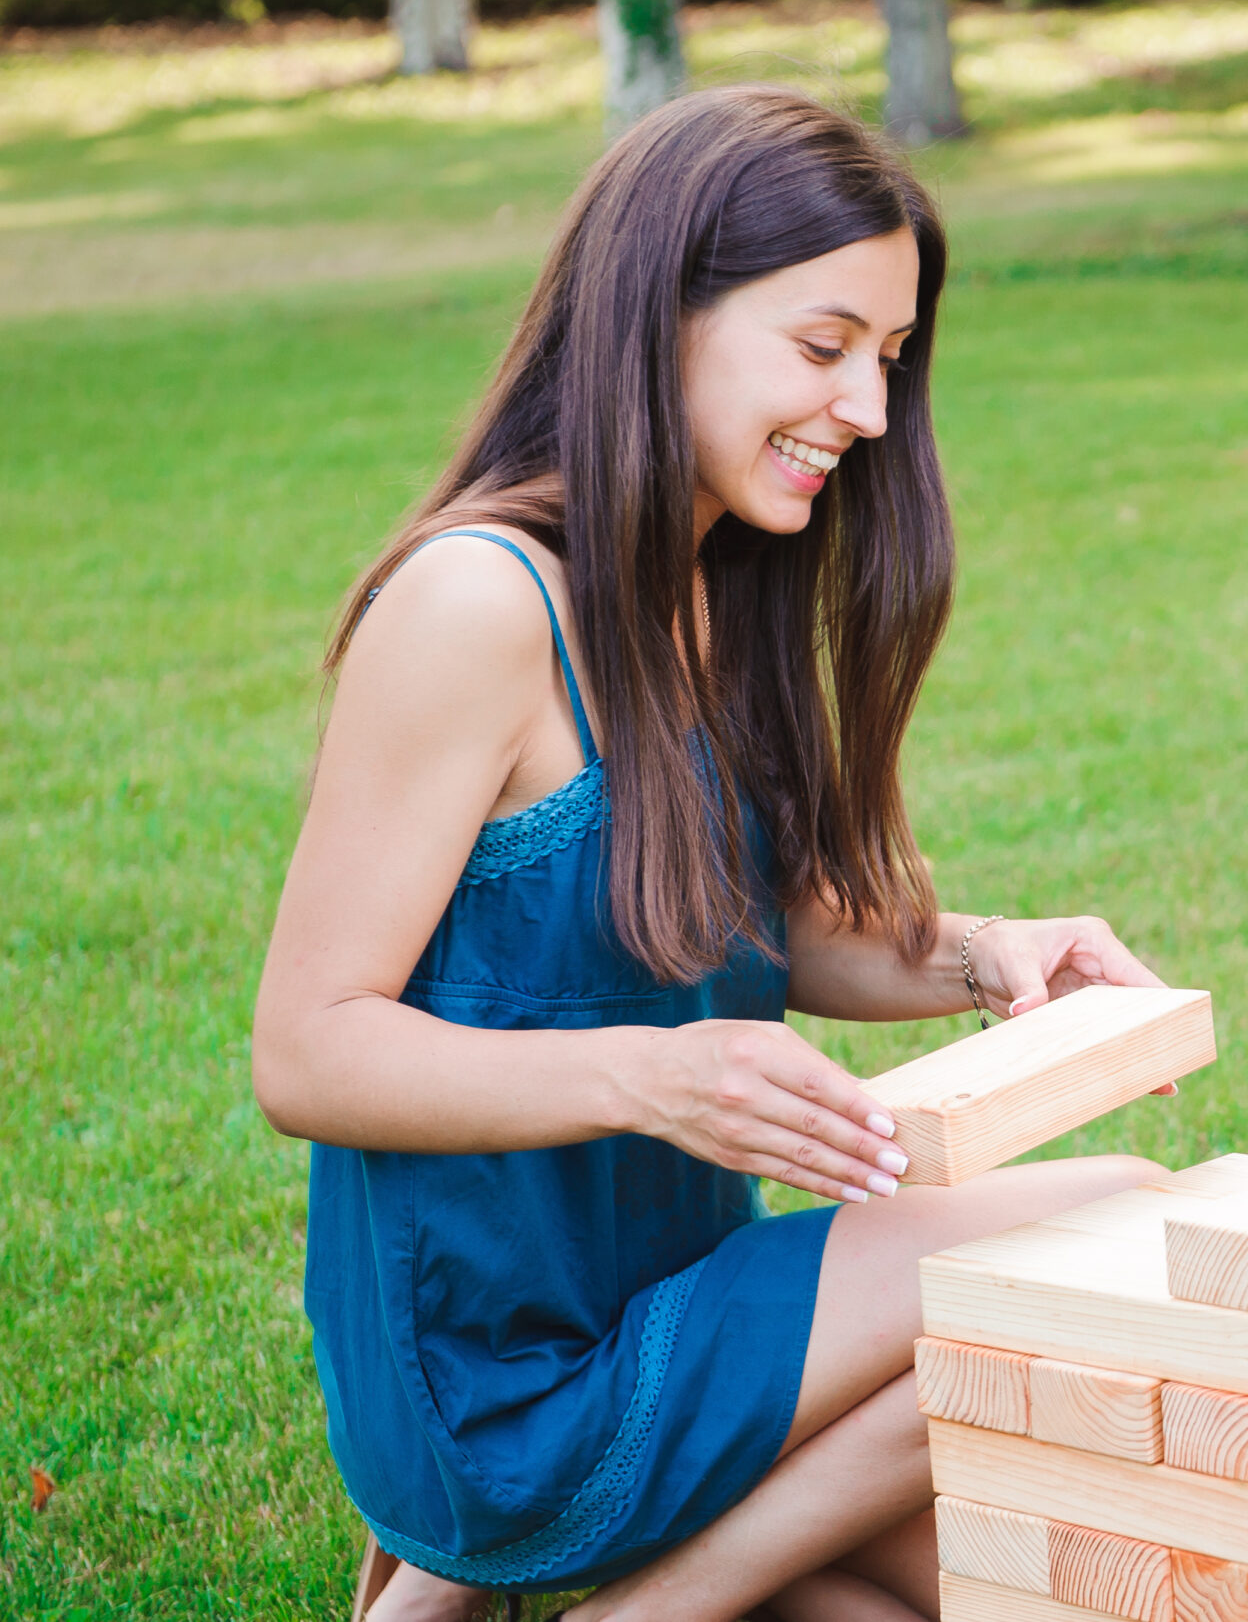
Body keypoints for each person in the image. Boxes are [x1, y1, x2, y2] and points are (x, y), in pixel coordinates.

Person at [252, 85, 1174, 1622]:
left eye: (888, 361)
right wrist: (655, 1077)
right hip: (508, 1388)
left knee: (970, 1586)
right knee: (1116, 1207)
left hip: (667, 1311)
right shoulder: (478, 605)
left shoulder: (710, 581)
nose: (870, 413)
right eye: (823, 349)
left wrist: (979, 953)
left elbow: (751, 921)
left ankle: (492, 1593)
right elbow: (307, 1048)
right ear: (652, 316)